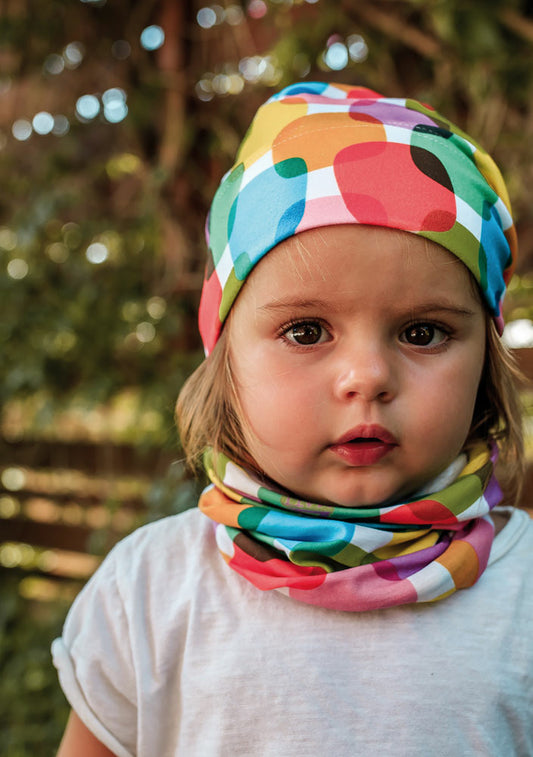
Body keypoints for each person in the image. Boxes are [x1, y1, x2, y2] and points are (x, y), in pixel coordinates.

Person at [53, 81, 533, 756]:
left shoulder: (524, 598)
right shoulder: (149, 592)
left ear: (484, 361)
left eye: (421, 332)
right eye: (306, 331)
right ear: (224, 358)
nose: (366, 375)